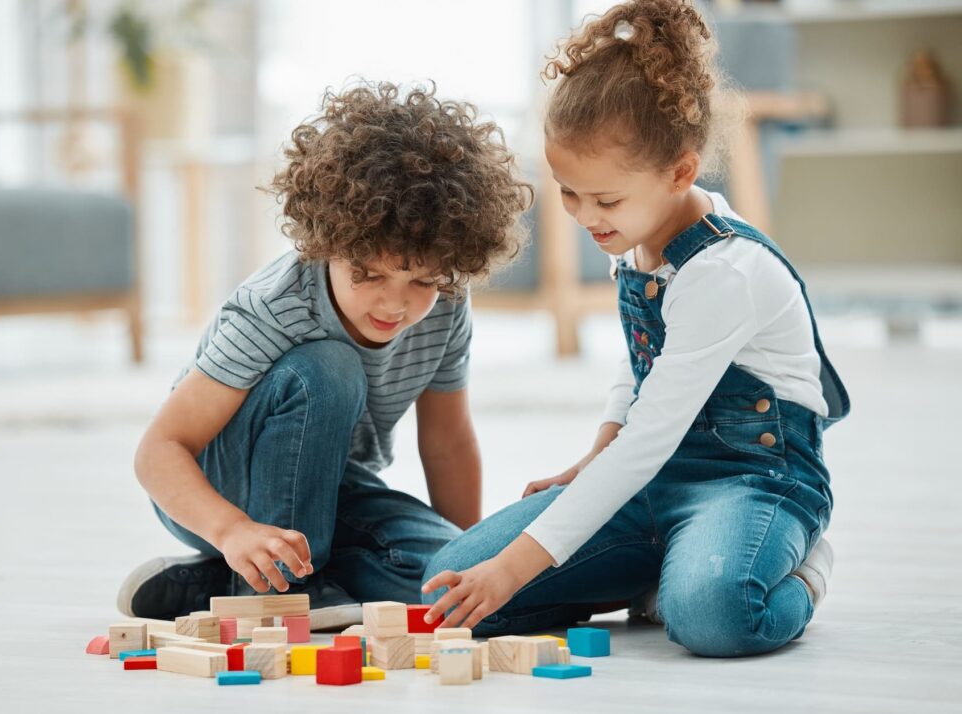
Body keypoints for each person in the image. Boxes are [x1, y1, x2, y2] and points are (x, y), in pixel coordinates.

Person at [420, 0, 849, 657]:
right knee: (449, 592)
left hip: (754, 482)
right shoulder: (637, 238)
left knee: (713, 616)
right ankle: (662, 564)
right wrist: (592, 459)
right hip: (653, 482)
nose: (585, 216)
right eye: (569, 192)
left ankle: (799, 569)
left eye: (606, 200)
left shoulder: (724, 276)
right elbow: (642, 370)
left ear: (681, 171)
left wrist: (514, 569)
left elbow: (649, 438)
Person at [117, 81, 532, 629]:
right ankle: (274, 585)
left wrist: (466, 555)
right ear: (327, 241)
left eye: (422, 280)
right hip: (219, 494)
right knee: (326, 370)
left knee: (449, 588)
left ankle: (228, 586)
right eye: (370, 274)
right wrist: (231, 531)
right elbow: (160, 450)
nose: (395, 303)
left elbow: (448, 440)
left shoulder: (446, 304)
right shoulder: (274, 306)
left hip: (332, 488)